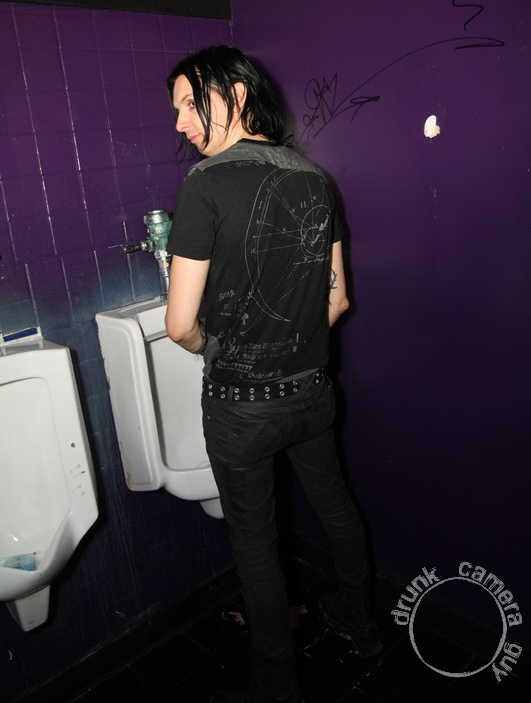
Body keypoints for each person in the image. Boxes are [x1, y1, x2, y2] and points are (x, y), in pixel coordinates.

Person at [164, 46, 382, 703]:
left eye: (188, 104)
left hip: (241, 407)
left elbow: (179, 325)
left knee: (255, 544)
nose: (179, 123)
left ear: (234, 95)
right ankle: (362, 625)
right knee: (335, 505)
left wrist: (217, 346)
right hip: (311, 392)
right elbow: (337, 301)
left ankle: (276, 681)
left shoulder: (204, 184)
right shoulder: (315, 179)